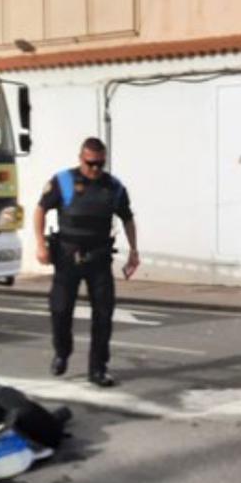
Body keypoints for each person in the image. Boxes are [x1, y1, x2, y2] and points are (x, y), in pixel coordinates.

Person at [35, 137, 140, 388]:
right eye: (91, 163)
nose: (95, 169)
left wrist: (134, 251)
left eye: (100, 164)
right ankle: (62, 352)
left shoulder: (113, 187)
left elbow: (127, 218)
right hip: (67, 257)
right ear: (80, 158)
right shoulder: (63, 181)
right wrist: (40, 245)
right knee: (60, 310)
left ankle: (98, 368)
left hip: (99, 257)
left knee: (103, 315)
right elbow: (40, 210)